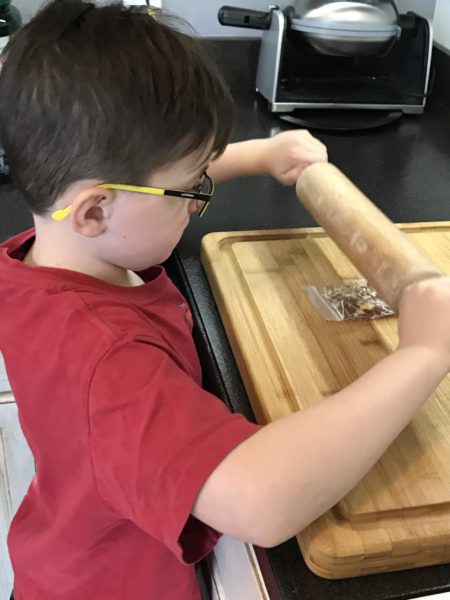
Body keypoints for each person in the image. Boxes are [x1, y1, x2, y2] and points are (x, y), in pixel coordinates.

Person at [0, 2, 449, 599]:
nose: (196, 201)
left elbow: (139, 198)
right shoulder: (107, 366)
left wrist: (259, 155)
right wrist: (422, 352)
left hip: (67, 543)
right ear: (94, 209)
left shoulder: (45, 255)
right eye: (192, 187)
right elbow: (260, 501)